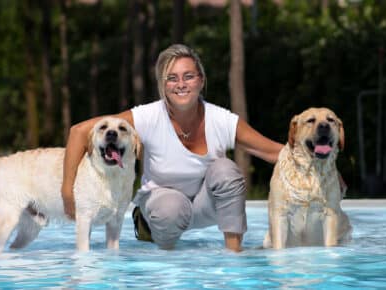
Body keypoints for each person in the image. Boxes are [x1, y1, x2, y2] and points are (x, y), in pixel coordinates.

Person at [61, 44, 283, 252]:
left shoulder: (221, 120)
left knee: (226, 170)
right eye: (172, 78)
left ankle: (234, 255)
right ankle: (166, 255)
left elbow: (274, 152)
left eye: (188, 76)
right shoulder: (147, 117)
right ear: (163, 85)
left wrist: (315, 156)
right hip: (164, 210)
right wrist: (67, 191)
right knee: (171, 208)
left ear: (201, 81)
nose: (181, 84)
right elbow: (79, 132)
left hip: (205, 206)